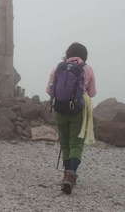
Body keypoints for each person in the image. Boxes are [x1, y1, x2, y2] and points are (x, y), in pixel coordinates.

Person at [46, 42, 97, 195]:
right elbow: (92, 93)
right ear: (84, 55)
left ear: (68, 54)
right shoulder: (87, 69)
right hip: (78, 111)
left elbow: (49, 89)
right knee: (76, 143)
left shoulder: (58, 68)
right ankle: (71, 174)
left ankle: (65, 175)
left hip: (60, 110)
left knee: (65, 143)